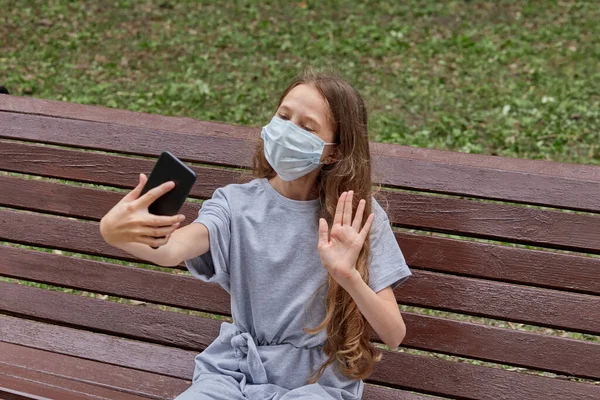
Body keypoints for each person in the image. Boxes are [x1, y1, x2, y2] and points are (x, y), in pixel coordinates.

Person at [100, 70, 412, 400]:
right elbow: (172, 250)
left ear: (333, 152)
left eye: (307, 127)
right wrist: (114, 231)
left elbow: (393, 333)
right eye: (283, 116)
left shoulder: (357, 218)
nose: (287, 131)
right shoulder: (235, 204)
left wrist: (347, 275)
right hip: (233, 371)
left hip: (316, 385)